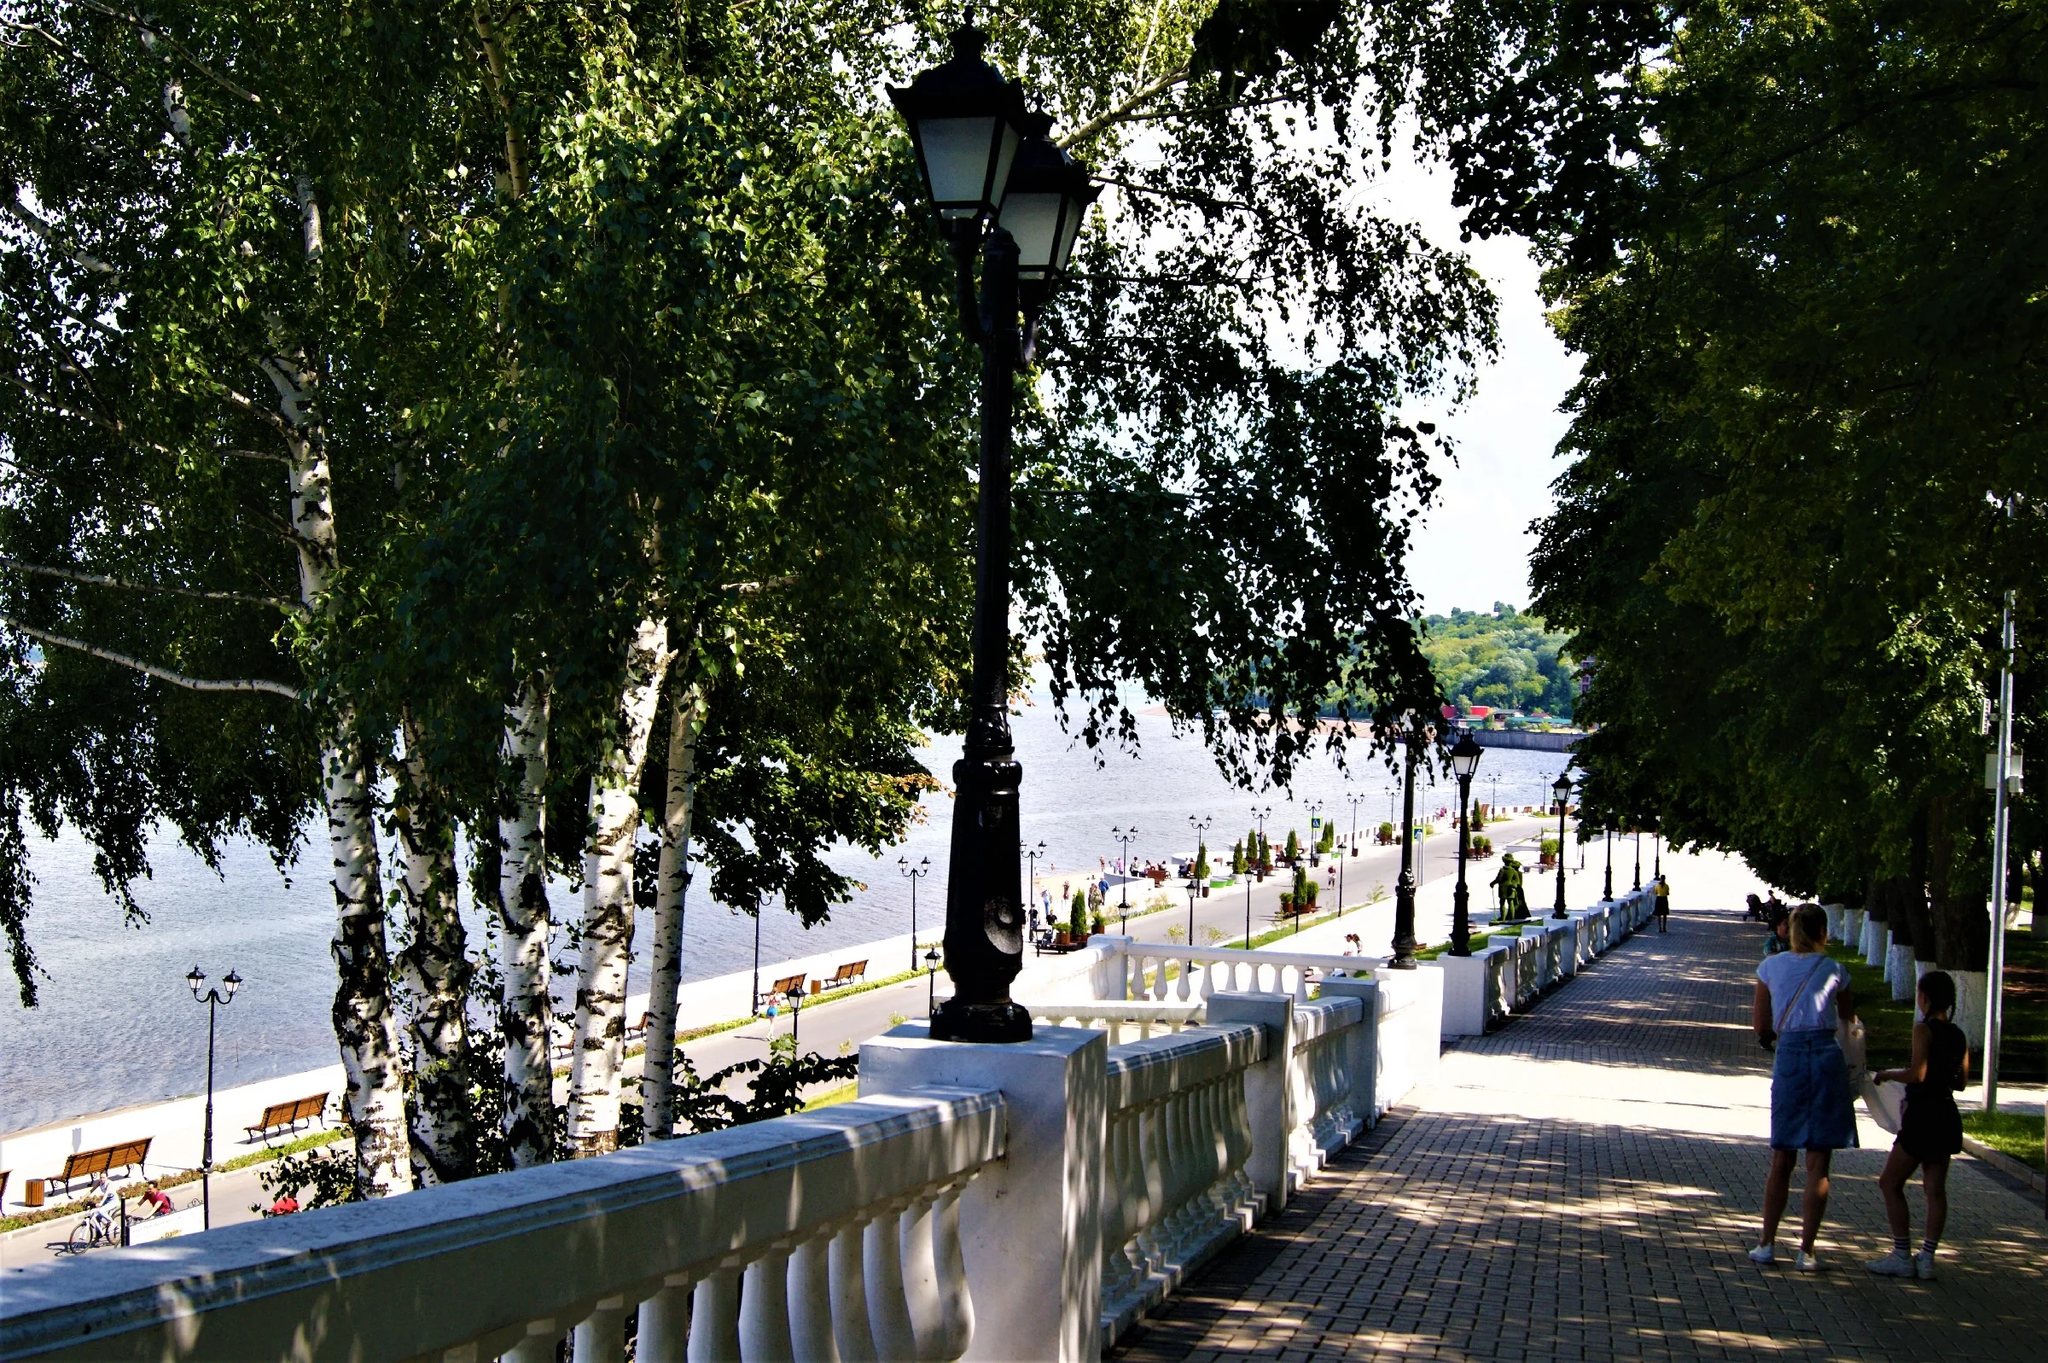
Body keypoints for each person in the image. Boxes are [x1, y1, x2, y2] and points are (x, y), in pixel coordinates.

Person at [1751, 902, 1858, 1270]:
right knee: (1819, 1161)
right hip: (1827, 1057)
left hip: (1791, 1057)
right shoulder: (1835, 970)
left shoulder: (1769, 967)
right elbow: (1848, 1019)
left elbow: (1761, 1026)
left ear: (1792, 930)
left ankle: (1766, 1243)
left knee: (1782, 1156)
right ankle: (1807, 1251)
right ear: (1823, 932)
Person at [1867, 970, 1968, 1280]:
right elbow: (1962, 1082)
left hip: (1922, 1116)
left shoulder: (1923, 1030)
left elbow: (1918, 1074)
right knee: (1935, 1191)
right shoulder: (1958, 1034)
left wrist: (1888, 1075)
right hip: (1946, 1114)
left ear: (1924, 997)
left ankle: (1901, 1254)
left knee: (1890, 1182)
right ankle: (1927, 1257)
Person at [1491, 854, 1529, 921]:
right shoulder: (1513, 871)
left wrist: (1492, 883)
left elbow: (1498, 879)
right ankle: (1511, 918)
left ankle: (1503, 918)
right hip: (1511, 889)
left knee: (1502, 903)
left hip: (1503, 888)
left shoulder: (1502, 870)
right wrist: (1513, 885)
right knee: (1511, 903)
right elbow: (1517, 880)